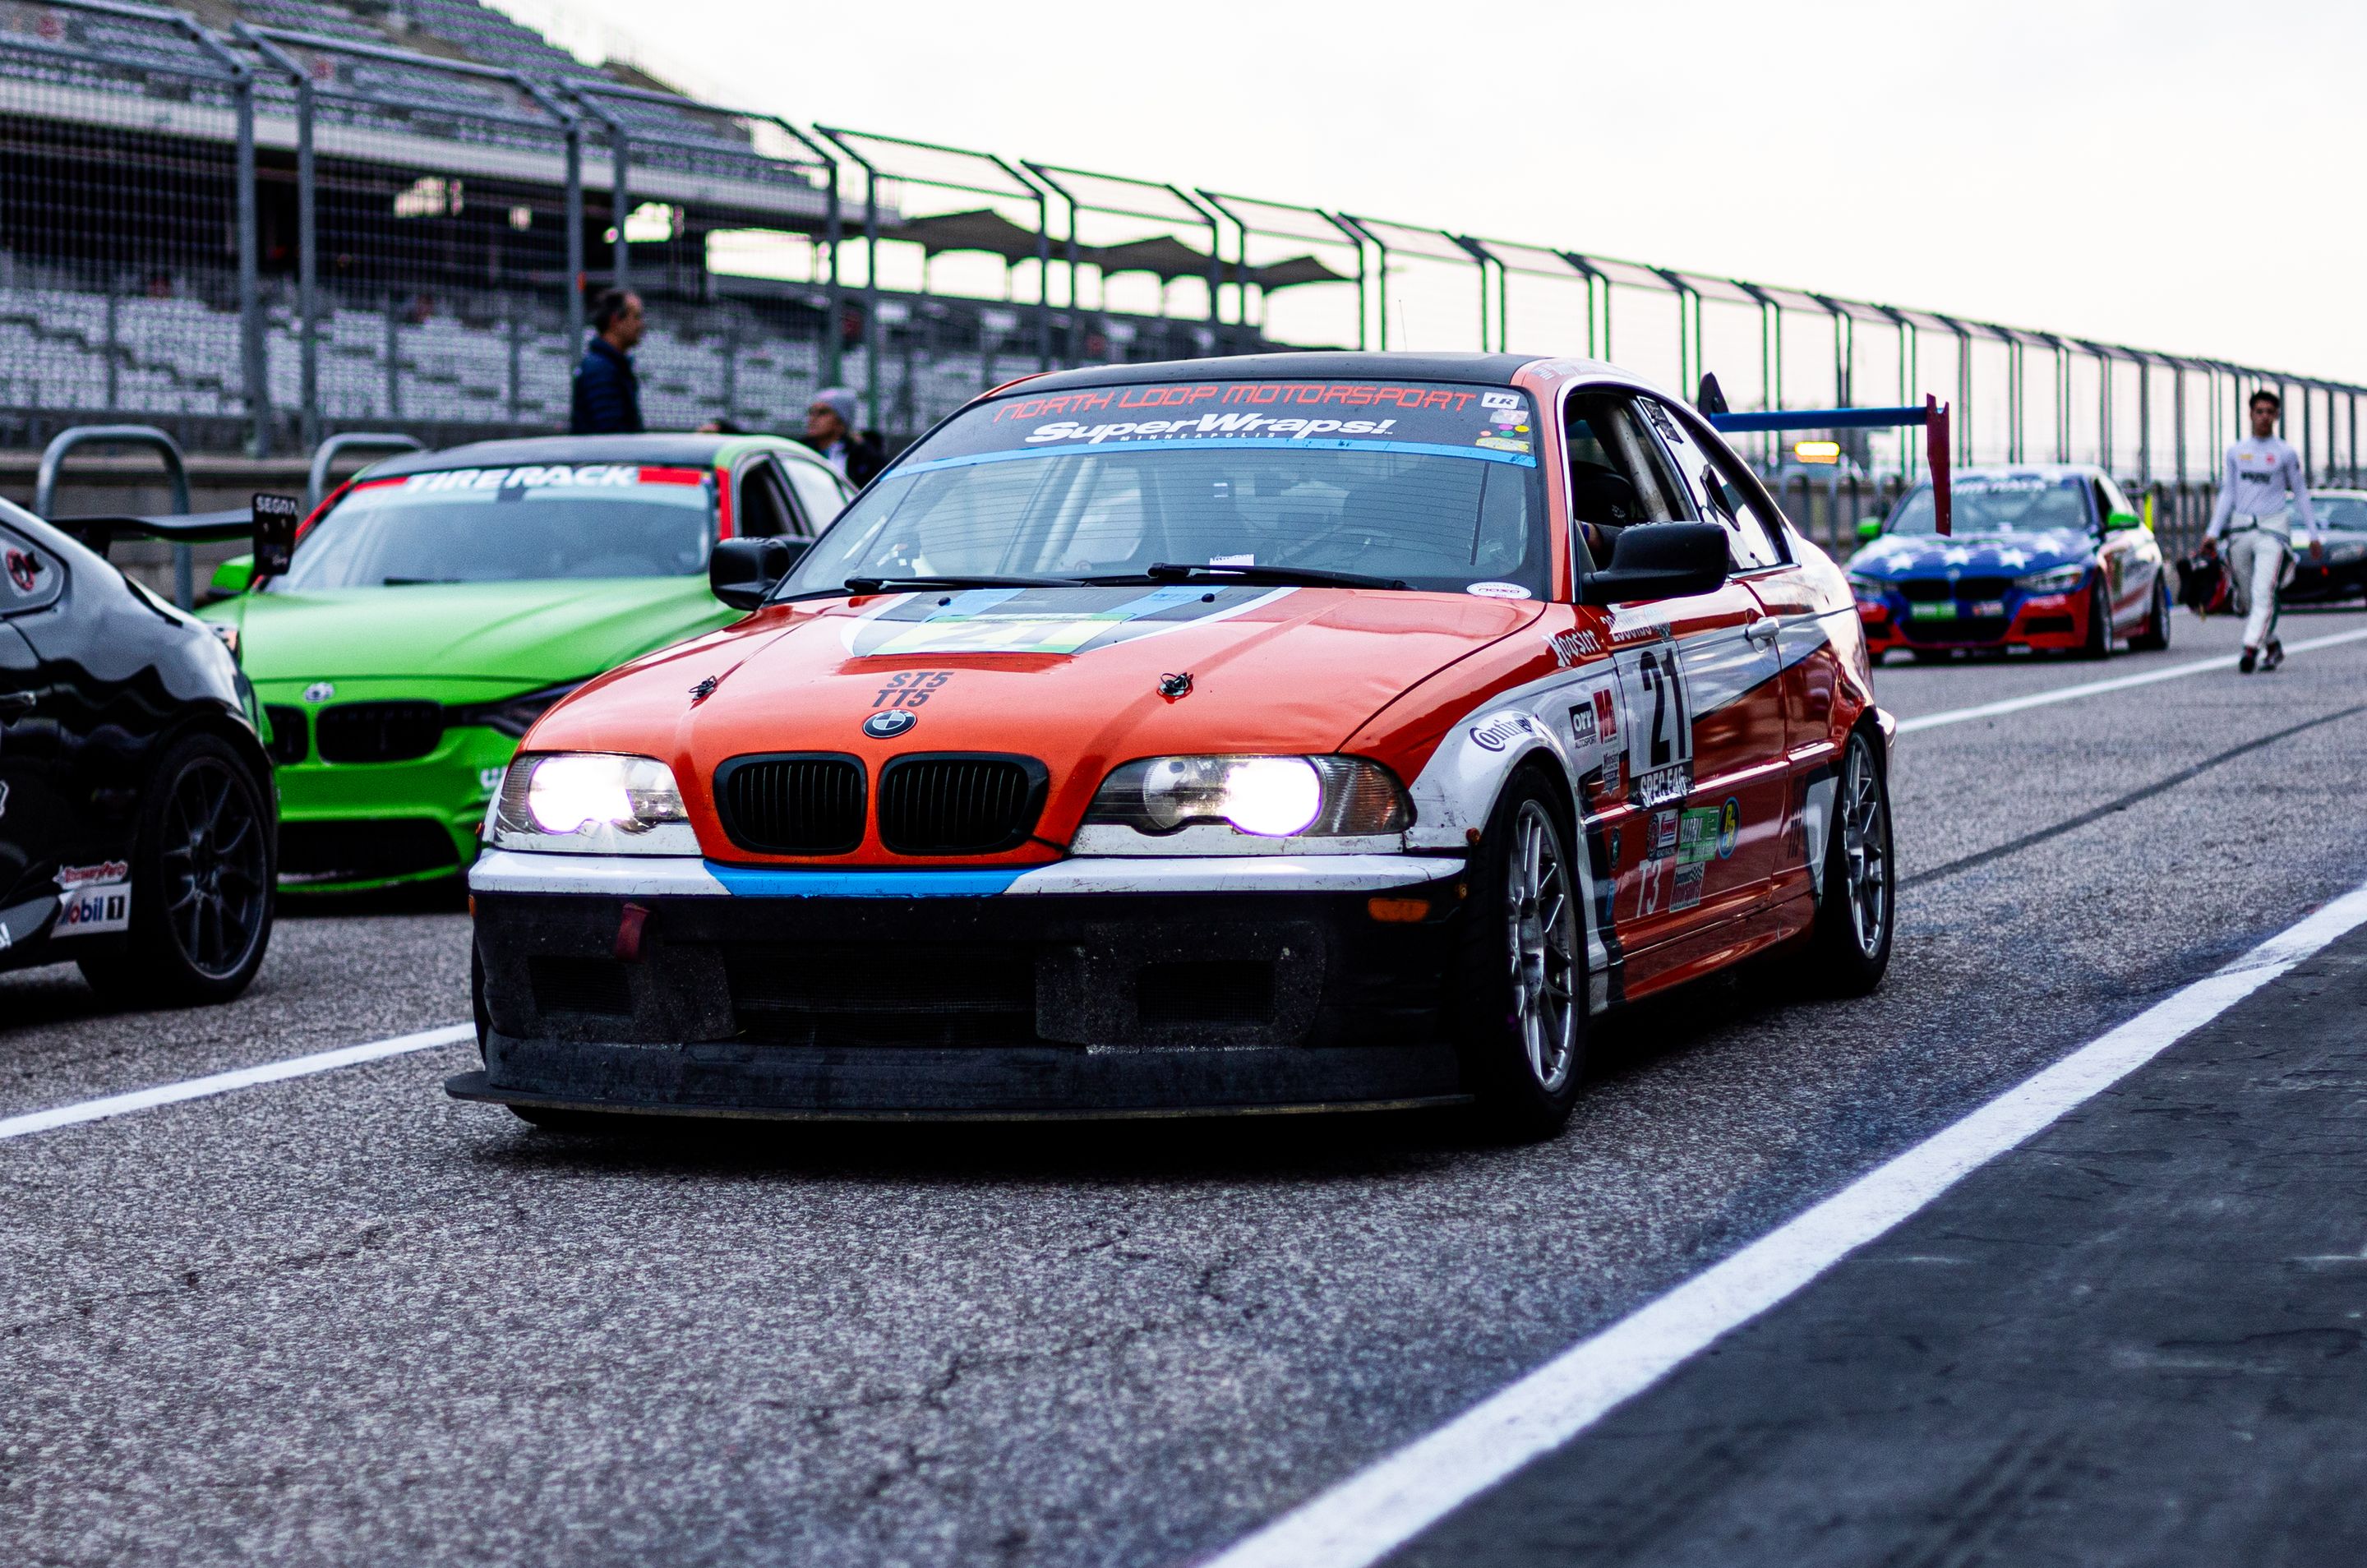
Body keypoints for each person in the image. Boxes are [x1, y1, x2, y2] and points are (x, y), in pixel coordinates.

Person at [2203, 389, 2315, 673]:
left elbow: (2300, 492)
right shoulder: (2237, 452)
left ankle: (2250, 648)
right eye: (2259, 411)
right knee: (2245, 597)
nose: (2264, 417)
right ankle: (2272, 644)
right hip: (2241, 529)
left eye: (2270, 412)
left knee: (2263, 589)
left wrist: (2314, 534)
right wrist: (2213, 531)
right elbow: (2228, 492)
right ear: (2251, 414)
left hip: (2273, 530)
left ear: (2276, 416)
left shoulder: (2285, 453)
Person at [570, 288, 645, 435]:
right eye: (636, 317)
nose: (641, 325)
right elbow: (611, 434)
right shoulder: (600, 370)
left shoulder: (610, 366)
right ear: (615, 321)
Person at [802, 386, 886, 487]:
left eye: (823, 413)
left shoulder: (863, 457)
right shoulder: (800, 450)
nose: (812, 419)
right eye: (811, 412)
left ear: (841, 420)